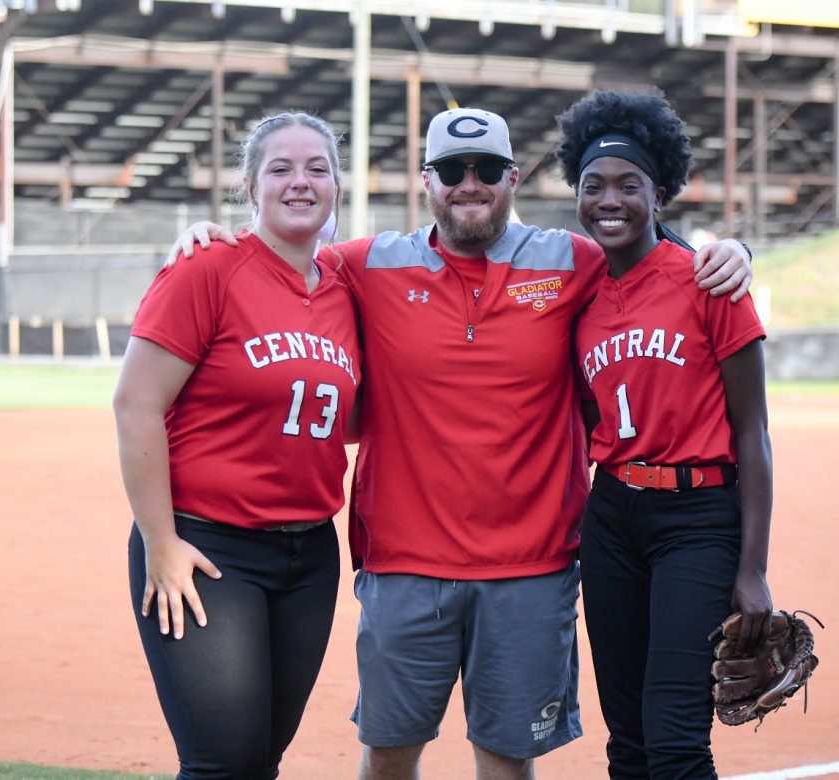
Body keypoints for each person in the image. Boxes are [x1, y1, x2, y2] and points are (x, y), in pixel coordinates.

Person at [169, 106, 753, 780]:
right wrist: (213, 236)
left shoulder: (573, 261)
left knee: (507, 762)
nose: (467, 184)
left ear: (512, 178)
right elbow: (277, 257)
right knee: (388, 756)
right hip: (404, 566)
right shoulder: (367, 264)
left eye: (485, 171)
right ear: (426, 180)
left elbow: (650, 256)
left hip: (533, 569)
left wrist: (732, 251)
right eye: (451, 170)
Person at [112, 111, 361, 779]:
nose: (300, 182)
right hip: (207, 546)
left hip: (309, 553)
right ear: (251, 188)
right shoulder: (208, 267)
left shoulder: (344, 288)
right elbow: (135, 404)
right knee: (222, 763)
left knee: (259, 761)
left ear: (337, 186)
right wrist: (159, 544)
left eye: (317, 169)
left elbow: (346, 413)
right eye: (280, 168)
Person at [554, 88, 772, 779]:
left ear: (659, 195)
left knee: (677, 742)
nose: (609, 199)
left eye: (629, 185)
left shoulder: (709, 282)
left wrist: (753, 568)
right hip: (613, 515)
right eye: (594, 186)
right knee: (629, 745)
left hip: (697, 520)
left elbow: (755, 434)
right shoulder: (577, 291)